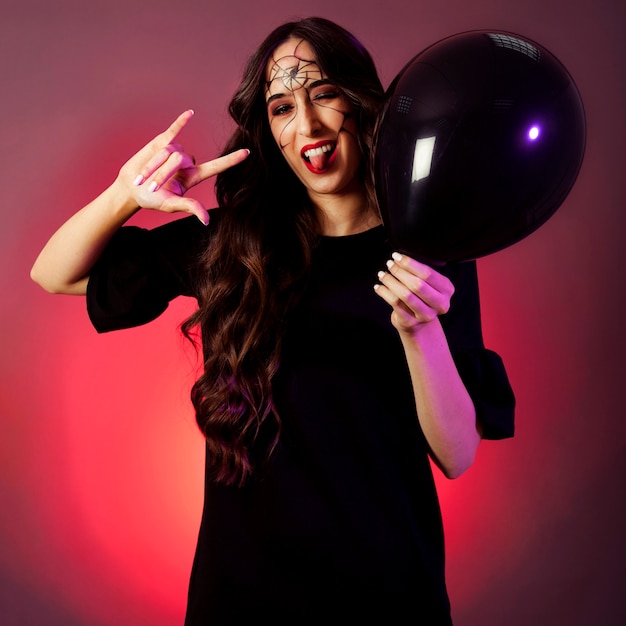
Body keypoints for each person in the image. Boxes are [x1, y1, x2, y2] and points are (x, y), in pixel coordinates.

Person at [31, 16, 515, 626]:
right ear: (270, 130)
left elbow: (457, 453)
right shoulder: (236, 244)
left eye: (324, 94)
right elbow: (54, 274)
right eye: (283, 107)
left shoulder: (432, 245)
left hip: (388, 591)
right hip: (243, 596)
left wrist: (420, 331)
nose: (308, 126)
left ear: (363, 102)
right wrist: (126, 194)